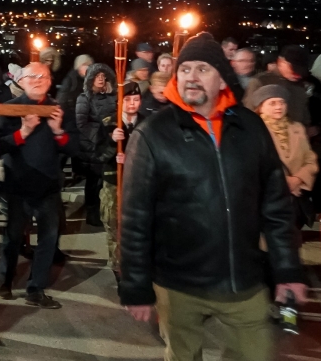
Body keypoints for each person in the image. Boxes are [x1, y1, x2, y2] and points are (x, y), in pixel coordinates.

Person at [120, 33, 307, 361]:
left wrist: (287, 269)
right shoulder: (153, 134)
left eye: (203, 69)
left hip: (244, 281)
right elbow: (135, 217)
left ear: (222, 79)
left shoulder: (251, 128)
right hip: (178, 285)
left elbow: (275, 206)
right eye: (185, 69)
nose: (191, 76)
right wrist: (135, 285)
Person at [0, 62, 78, 309]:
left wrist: (58, 131)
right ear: (21, 81)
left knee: (48, 239)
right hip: (18, 184)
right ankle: (5, 279)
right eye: (33, 76)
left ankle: (36, 288)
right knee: (13, 237)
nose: (39, 80)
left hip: (48, 185)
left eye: (44, 76)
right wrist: (24, 131)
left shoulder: (58, 109)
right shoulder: (10, 109)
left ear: (50, 81)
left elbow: (75, 148)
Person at [247, 85, 318, 239]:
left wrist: (297, 179)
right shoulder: (253, 131)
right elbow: (251, 165)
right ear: (260, 107)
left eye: (282, 102)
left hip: (294, 200)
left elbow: (310, 160)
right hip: (266, 201)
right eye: (272, 103)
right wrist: (282, 183)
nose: (279, 107)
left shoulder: (297, 128)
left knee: (291, 241)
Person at [103, 82, 144, 280]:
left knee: (137, 226)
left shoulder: (147, 124)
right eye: (127, 100)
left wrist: (133, 159)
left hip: (138, 183)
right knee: (115, 225)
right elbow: (96, 154)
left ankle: (137, 265)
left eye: (136, 99)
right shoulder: (109, 123)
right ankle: (118, 267)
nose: (132, 104)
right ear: (119, 102)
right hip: (114, 182)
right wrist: (112, 144)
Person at [75, 63, 115, 227]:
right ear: (90, 78)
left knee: (106, 179)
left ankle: (106, 212)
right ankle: (92, 213)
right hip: (92, 146)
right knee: (94, 181)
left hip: (109, 144)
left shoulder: (111, 96)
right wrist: (101, 136)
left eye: (103, 76)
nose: (101, 79)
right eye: (97, 76)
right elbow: (82, 123)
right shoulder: (84, 98)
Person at [244, 44, 312, 125]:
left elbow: (304, 117)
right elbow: (248, 116)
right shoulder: (260, 81)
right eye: (293, 68)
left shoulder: (300, 85)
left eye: (301, 70)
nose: (298, 74)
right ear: (280, 62)